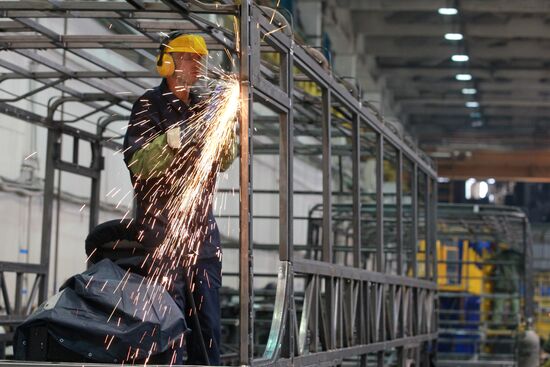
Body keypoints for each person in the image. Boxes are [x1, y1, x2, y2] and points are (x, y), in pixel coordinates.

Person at [123, 32, 235, 365]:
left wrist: (225, 133)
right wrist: (178, 136)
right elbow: (138, 162)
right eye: (189, 57)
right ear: (169, 62)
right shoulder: (149, 104)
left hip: (201, 234)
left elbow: (223, 160)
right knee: (165, 321)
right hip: (161, 234)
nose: (198, 65)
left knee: (207, 326)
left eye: (200, 59)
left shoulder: (202, 106)